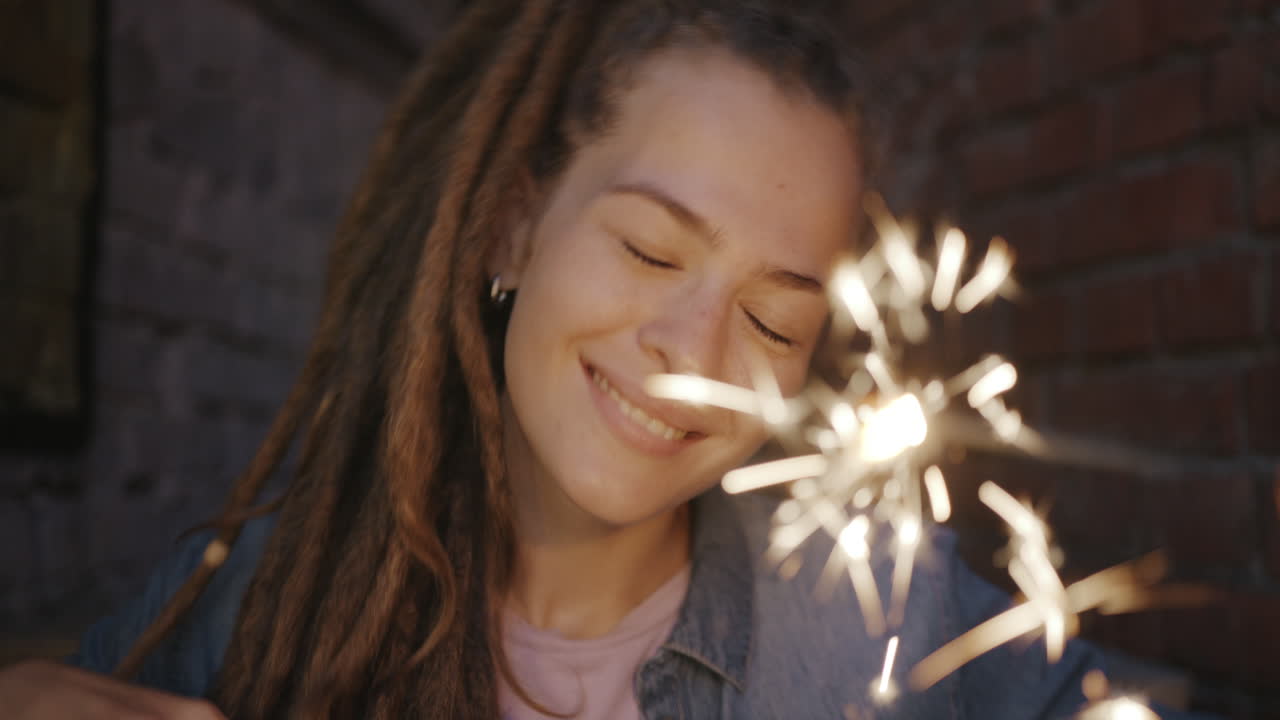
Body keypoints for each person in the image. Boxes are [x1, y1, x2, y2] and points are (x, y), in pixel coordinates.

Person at [2, 1, 1114, 718]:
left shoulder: (886, 623)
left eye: (773, 323)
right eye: (646, 249)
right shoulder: (259, 601)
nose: (690, 355)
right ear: (510, 229)